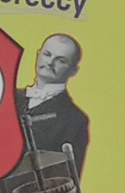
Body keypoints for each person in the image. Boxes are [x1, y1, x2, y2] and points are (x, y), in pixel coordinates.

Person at [23, 34, 91, 176]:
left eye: (61, 60)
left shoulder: (75, 120)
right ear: (38, 55)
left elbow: (68, 180)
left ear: (73, 71)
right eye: (47, 54)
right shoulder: (8, 97)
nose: (50, 63)